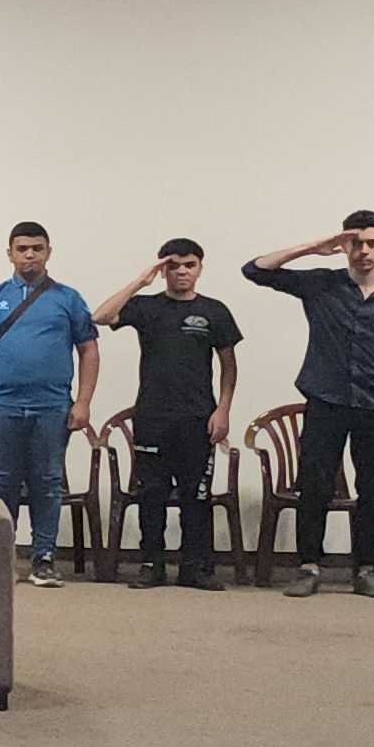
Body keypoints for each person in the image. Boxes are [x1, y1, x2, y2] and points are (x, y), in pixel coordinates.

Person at [246, 212, 374, 600]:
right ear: (344, 246)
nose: (364, 251)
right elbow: (255, 270)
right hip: (326, 400)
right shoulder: (321, 284)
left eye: (372, 243)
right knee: (315, 485)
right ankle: (309, 566)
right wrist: (314, 247)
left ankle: (368, 569)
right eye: (356, 243)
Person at [90, 240, 244, 590]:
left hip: (198, 419)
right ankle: (152, 565)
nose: (182, 272)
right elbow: (100, 317)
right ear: (163, 270)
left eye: (189, 265)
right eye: (173, 266)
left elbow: (229, 366)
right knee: (152, 494)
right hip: (152, 418)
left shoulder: (214, 311)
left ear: (200, 268)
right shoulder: (146, 307)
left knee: (196, 496)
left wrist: (223, 409)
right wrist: (140, 281)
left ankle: (194, 568)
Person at [0, 222, 99, 587]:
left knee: (47, 482)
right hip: (0, 405)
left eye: (37, 248)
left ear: (48, 253)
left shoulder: (68, 299)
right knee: (3, 483)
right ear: (10, 253)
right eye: (22, 248)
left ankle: (44, 558)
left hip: (52, 407)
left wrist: (83, 402)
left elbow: (89, 350)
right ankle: (2, 557)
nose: (30, 254)